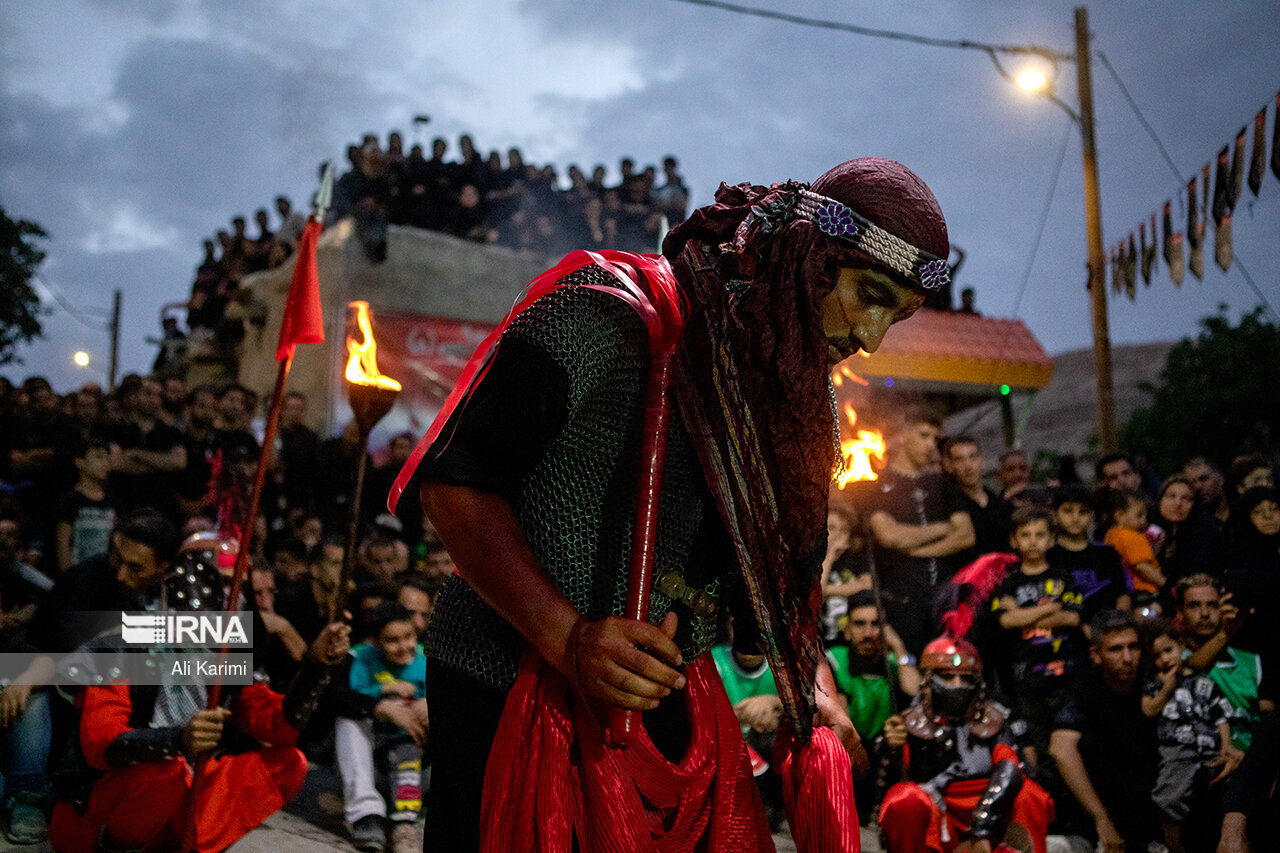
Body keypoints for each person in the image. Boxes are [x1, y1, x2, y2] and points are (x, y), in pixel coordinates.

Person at [395, 157, 951, 850]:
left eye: (894, 316)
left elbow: (774, 605)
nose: (871, 335)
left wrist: (821, 698)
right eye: (869, 294)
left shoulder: (800, 413)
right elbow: (456, 483)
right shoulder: (605, 311)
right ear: (809, 255)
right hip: (507, 677)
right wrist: (566, 635)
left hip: (665, 702)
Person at [47, 545, 350, 853]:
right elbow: (101, 742)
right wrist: (179, 740)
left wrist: (316, 666)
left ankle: (187, 843)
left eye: (237, 588)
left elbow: (278, 726)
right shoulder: (121, 645)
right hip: (98, 809)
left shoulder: (224, 654)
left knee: (288, 763)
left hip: (181, 793)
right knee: (168, 770)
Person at [878, 635, 1053, 853]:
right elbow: (882, 781)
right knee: (903, 800)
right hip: (936, 814)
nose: (957, 685)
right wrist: (890, 746)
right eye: (947, 677)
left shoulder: (994, 718)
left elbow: (1009, 766)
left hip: (989, 809)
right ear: (929, 679)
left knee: (1029, 794)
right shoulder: (909, 722)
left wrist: (981, 826)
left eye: (965, 678)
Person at [865, 407, 975, 655]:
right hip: (902, 602)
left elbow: (966, 535)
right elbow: (889, 536)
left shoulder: (941, 484)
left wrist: (914, 548)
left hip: (946, 600)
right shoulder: (878, 485)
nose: (930, 445)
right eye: (923, 436)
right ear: (903, 434)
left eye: (934, 439)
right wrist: (943, 527)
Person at [1049, 609, 1159, 852]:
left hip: (1152, 820)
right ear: (1096, 655)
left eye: (1134, 647)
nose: (1128, 657)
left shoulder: (1154, 685)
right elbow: (1061, 750)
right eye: (1116, 649)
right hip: (1094, 824)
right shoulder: (1082, 692)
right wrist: (1101, 817)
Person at [991, 505, 1085, 766]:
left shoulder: (1063, 577)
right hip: (1027, 679)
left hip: (1065, 676)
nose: (1033, 542)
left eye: (1040, 535)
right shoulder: (1007, 582)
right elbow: (1006, 620)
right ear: (1014, 540)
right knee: (1037, 749)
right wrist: (1054, 606)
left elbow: (1072, 617)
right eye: (1026, 535)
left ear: (1051, 539)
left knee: (1071, 742)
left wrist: (1025, 612)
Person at [1142, 619, 1241, 853]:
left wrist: (1226, 745)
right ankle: (1172, 846)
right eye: (1157, 655)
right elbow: (1148, 709)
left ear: (1180, 645)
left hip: (1209, 750)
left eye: (1168, 651)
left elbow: (1221, 714)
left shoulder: (1202, 680)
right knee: (1167, 799)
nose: (1165, 659)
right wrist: (1167, 687)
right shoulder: (1155, 682)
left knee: (1216, 801)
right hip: (1177, 751)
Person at [340, 602, 429, 853]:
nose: (404, 647)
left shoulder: (425, 659)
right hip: (373, 744)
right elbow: (351, 696)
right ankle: (367, 816)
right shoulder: (363, 658)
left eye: (408, 637)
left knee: (408, 757)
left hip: (408, 743)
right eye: (392, 640)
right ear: (376, 642)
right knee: (351, 718)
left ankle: (404, 824)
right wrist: (383, 691)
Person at [1177, 573, 1273, 752]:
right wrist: (1225, 633)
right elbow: (1192, 668)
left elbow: (1270, 726)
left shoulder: (1252, 662)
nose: (1204, 614)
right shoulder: (1170, 659)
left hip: (1249, 767)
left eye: (1212, 605)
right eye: (1194, 606)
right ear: (1180, 613)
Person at [1046, 484, 1130, 620]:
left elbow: (1122, 595)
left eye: (1082, 512)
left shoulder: (1107, 554)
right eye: (1067, 511)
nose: (1075, 518)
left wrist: (1114, 623)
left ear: (1092, 516)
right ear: (1054, 515)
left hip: (1107, 630)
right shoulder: (1047, 557)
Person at [942, 434, 1013, 561]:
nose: (967, 466)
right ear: (949, 466)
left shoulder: (1002, 504)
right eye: (959, 459)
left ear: (982, 461)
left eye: (972, 457)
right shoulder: (949, 509)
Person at [53, 438, 117, 572]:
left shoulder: (113, 500)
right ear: (79, 462)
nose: (105, 463)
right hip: (79, 572)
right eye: (99, 457)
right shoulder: (70, 500)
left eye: (107, 458)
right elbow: (63, 542)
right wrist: (67, 576)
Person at [1103, 488, 1165, 594]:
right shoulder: (1133, 537)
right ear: (1120, 516)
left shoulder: (1111, 535)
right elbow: (1142, 566)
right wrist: (1164, 583)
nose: (1144, 520)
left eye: (1145, 515)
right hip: (1144, 589)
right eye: (1139, 515)